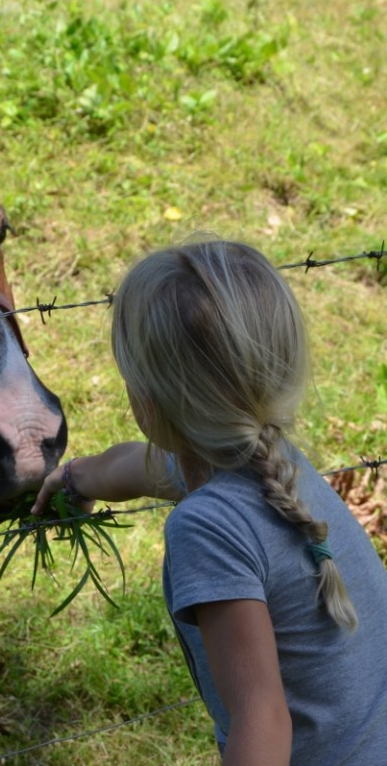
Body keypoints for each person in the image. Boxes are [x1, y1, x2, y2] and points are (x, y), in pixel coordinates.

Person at [32, 239, 387, 766]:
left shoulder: (205, 528)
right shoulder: (276, 464)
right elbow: (148, 466)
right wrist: (79, 477)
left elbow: (261, 720)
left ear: (147, 403)